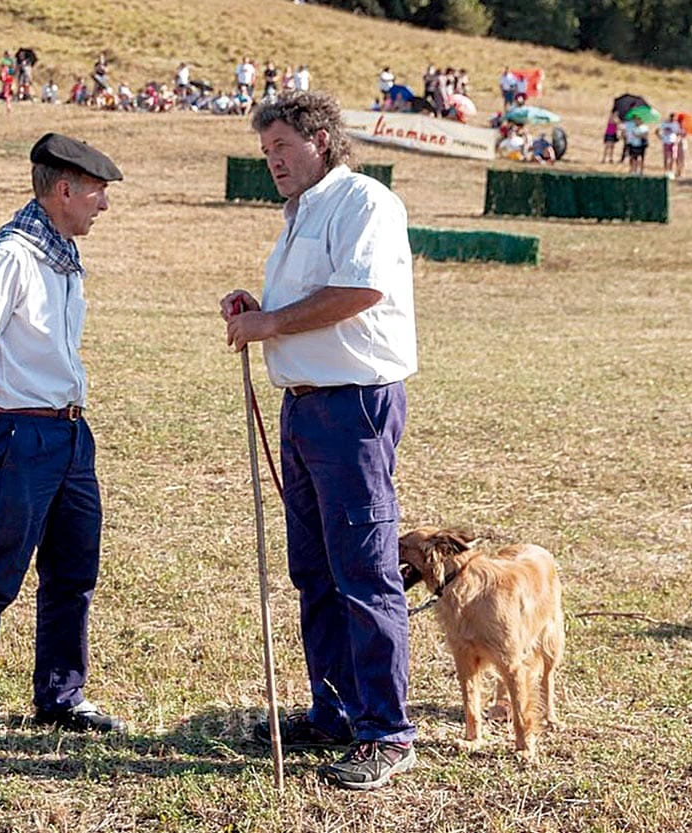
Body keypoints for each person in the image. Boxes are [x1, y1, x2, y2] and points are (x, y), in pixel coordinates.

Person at [219, 91, 418, 791]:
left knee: (363, 570)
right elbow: (305, 305)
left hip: (353, 406)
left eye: (283, 148)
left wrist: (271, 324)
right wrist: (260, 309)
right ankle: (335, 711)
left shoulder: (364, 202)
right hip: (303, 408)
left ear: (324, 140)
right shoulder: (298, 215)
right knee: (315, 570)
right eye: (266, 151)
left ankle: (387, 731)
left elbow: (360, 291)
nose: (273, 161)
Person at [0, 133, 126, 768]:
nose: (103, 205)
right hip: (21, 433)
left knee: (74, 574)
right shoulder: (10, 255)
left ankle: (61, 697)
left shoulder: (63, 255)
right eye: (97, 192)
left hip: (71, 436)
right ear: (64, 189)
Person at [659, 113, 683, 179]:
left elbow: (679, 134)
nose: (673, 119)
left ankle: (671, 171)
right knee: (666, 158)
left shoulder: (676, 124)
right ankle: (665, 171)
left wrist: (677, 141)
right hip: (666, 142)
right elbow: (657, 131)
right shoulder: (664, 123)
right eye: (672, 118)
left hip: (673, 142)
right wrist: (661, 138)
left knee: (673, 158)